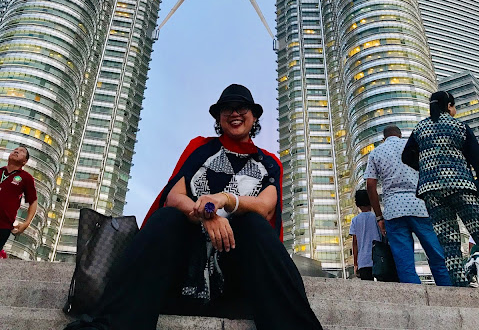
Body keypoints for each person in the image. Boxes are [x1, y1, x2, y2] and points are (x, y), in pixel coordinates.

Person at [64, 84, 323, 330]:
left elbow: (266, 207)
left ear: (254, 116)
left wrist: (225, 199)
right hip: (184, 266)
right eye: (227, 108)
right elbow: (174, 196)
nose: (234, 113)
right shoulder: (200, 148)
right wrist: (205, 215)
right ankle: (113, 324)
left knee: (253, 223)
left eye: (242, 107)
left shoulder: (269, 162)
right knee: (167, 218)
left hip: (239, 271)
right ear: (219, 117)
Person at [402, 90, 479, 287]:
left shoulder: (420, 128)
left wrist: (428, 168)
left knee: (448, 241)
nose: (454, 110)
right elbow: (477, 159)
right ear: (448, 106)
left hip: (432, 191)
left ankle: (460, 284)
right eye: (453, 106)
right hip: (461, 185)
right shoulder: (459, 127)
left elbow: (406, 156)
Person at [365, 125, 451, 285]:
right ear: (400, 135)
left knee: (404, 263)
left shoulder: (376, 152)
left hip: (393, 210)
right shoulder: (414, 147)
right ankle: (447, 290)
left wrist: (379, 216)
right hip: (419, 206)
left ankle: (416, 300)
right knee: (436, 253)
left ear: (384, 138)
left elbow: (370, 185)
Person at [0, 146, 37, 251]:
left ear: (24, 161)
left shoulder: (26, 177)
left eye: (21, 151)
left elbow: (33, 201)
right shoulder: (0, 171)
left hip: (3, 226)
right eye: (15, 149)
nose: (16, 151)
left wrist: (26, 223)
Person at [350, 189, 381, 280]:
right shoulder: (377, 217)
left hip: (363, 261)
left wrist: (355, 263)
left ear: (357, 204)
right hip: (379, 258)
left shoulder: (355, 220)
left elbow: (355, 243)